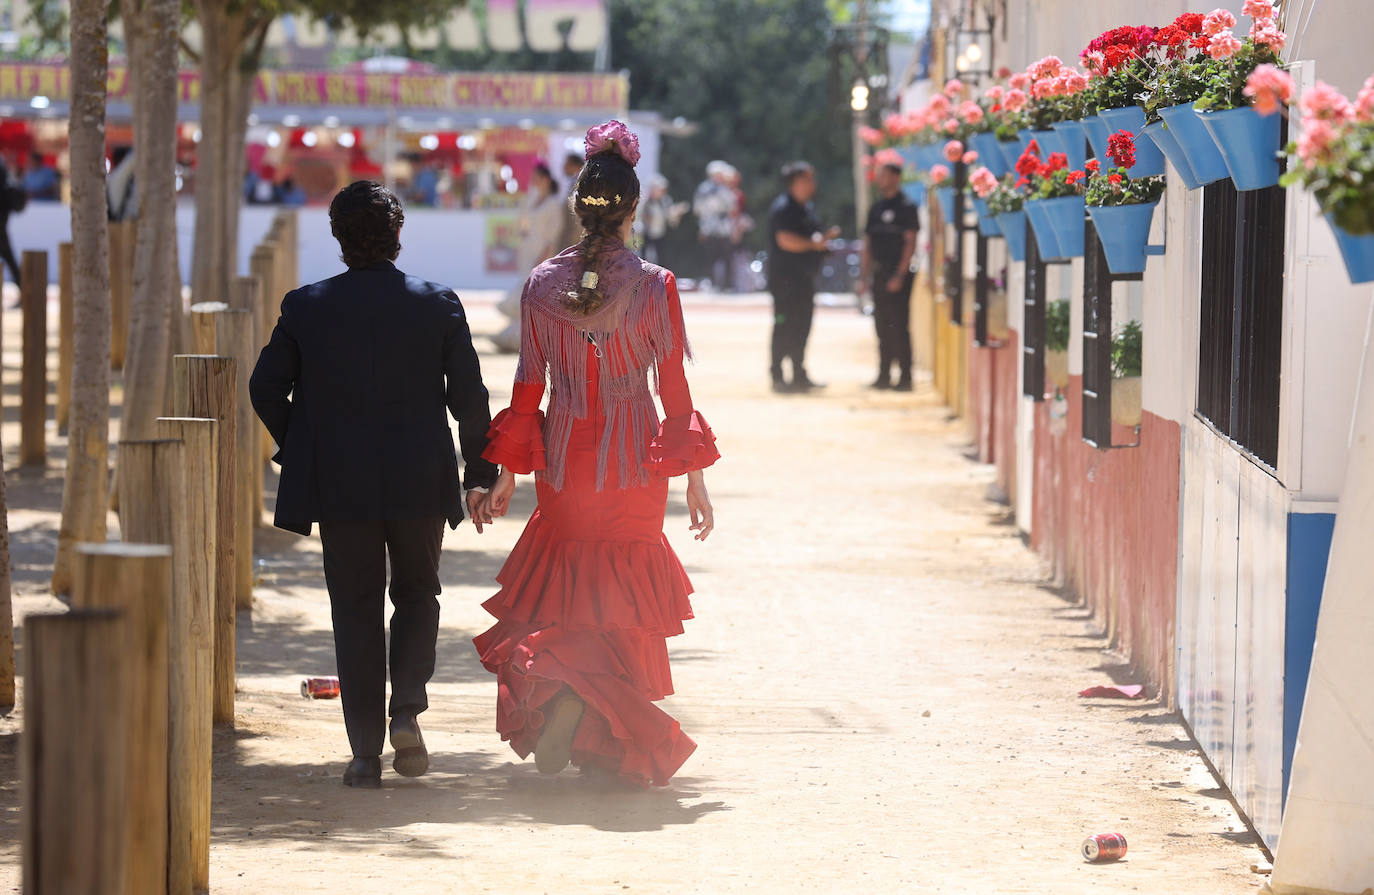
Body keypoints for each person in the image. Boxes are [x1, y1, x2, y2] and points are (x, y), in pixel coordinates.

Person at [475, 120, 719, 788]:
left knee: (568, 585)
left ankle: (570, 698)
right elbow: (673, 390)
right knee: (620, 594)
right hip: (634, 460)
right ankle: (600, 728)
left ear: (577, 207)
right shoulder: (654, 286)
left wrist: (505, 474)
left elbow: (528, 387)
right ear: (635, 210)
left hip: (564, 461)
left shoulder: (539, 284)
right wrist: (694, 479)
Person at [249, 181, 499, 788]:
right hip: (420, 477)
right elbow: (470, 397)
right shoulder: (437, 303)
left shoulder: (305, 305)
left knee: (354, 609)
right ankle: (407, 710)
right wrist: (480, 474)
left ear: (337, 238)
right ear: (397, 235)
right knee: (418, 593)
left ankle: (364, 751)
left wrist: (300, 449)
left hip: (340, 483)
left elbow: (264, 388)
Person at [767, 161, 840, 393]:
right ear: (796, 181)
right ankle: (778, 374)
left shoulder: (807, 208)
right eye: (808, 179)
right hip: (784, 280)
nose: (812, 184)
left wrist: (821, 245)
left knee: (802, 325)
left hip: (804, 279)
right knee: (783, 324)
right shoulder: (783, 208)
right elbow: (784, 240)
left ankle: (799, 373)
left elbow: (814, 240)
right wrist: (813, 244)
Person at [493, 162, 566, 352]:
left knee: (533, 293)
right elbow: (522, 221)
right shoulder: (532, 199)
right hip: (528, 250)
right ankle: (517, 337)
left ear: (546, 180)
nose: (534, 182)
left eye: (537, 178)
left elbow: (552, 237)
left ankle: (526, 338)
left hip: (541, 251)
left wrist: (544, 258)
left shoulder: (553, 204)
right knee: (527, 293)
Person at [859, 161, 919, 391]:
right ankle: (883, 375)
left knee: (900, 325)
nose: (880, 179)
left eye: (884, 175)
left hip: (898, 275)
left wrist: (899, 275)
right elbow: (868, 244)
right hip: (880, 273)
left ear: (895, 177)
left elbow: (909, 243)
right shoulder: (876, 208)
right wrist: (864, 277)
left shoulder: (906, 207)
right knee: (882, 325)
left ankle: (905, 376)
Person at [693, 160, 736, 290]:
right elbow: (698, 209)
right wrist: (702, 227)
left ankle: (727, 284)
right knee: (710, 256)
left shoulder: (725, 189)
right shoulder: (704, 189)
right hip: (709, 227)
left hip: (724, 227)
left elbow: (732, 207)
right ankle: (711, 282)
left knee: (727, 256)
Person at [638, 173, 686, 266]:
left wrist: (676, 214)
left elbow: (671, 220)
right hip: (646, 233)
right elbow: (642, 216)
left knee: (661, 257)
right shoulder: (645, 201)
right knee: (644, 257)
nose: (662, 192)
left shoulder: (666, 200)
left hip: (661, 233)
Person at [0, 156, 22, 288]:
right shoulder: (6, 190)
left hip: (1, 235)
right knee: (12, 265)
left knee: (12, 265)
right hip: (2, 235)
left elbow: (19, 204)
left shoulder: (5, 191)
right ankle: (25, 294)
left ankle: (25, 294)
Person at [556, 151, 585, 250]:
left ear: (574, 164)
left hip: (575, 241)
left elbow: (578, 218)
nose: (564, 167)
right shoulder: (575, 182)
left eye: (566, 163)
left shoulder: (581, 183)